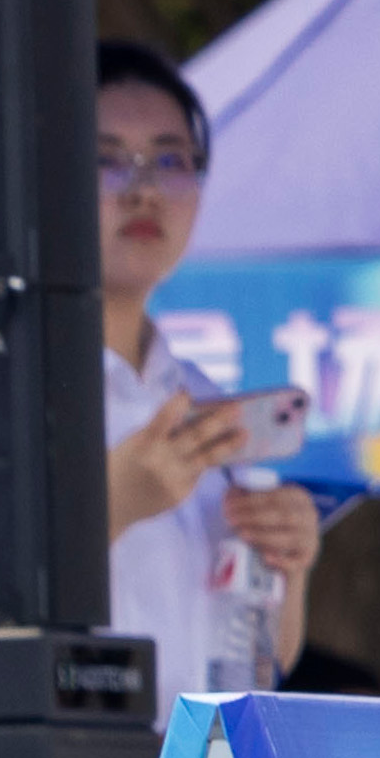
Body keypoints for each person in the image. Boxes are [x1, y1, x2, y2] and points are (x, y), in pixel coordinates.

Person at [85, 40, 313, 700]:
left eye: (169, 160)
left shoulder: (209, 406)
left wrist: (289, 564)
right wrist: (110, 506)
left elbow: (265, 662)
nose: (144, 189)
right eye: (105, 161)